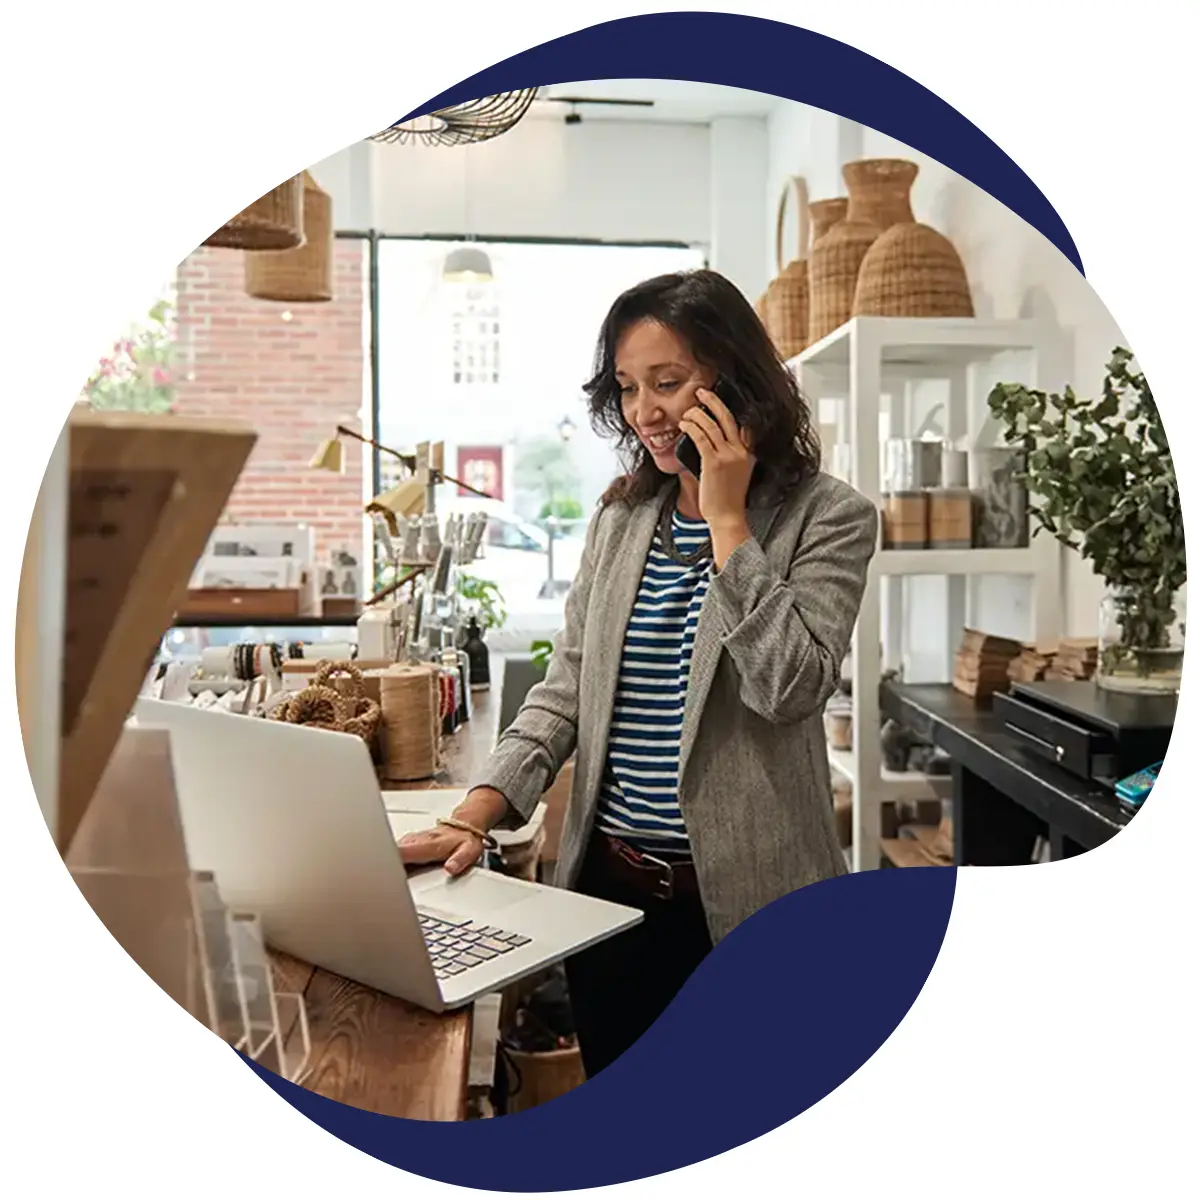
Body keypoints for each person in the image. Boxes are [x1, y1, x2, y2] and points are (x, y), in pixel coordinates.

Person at [399, 268, 878, 1079]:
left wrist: (728, 520)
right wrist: (477, 811)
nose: (645, 412)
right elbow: (567, 689)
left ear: (736, 380)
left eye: (669, 382)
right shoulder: (623, 518)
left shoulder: (827, 517)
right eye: (627, 387)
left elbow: (789, 687)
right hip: (611, 903)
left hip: (753, 906)